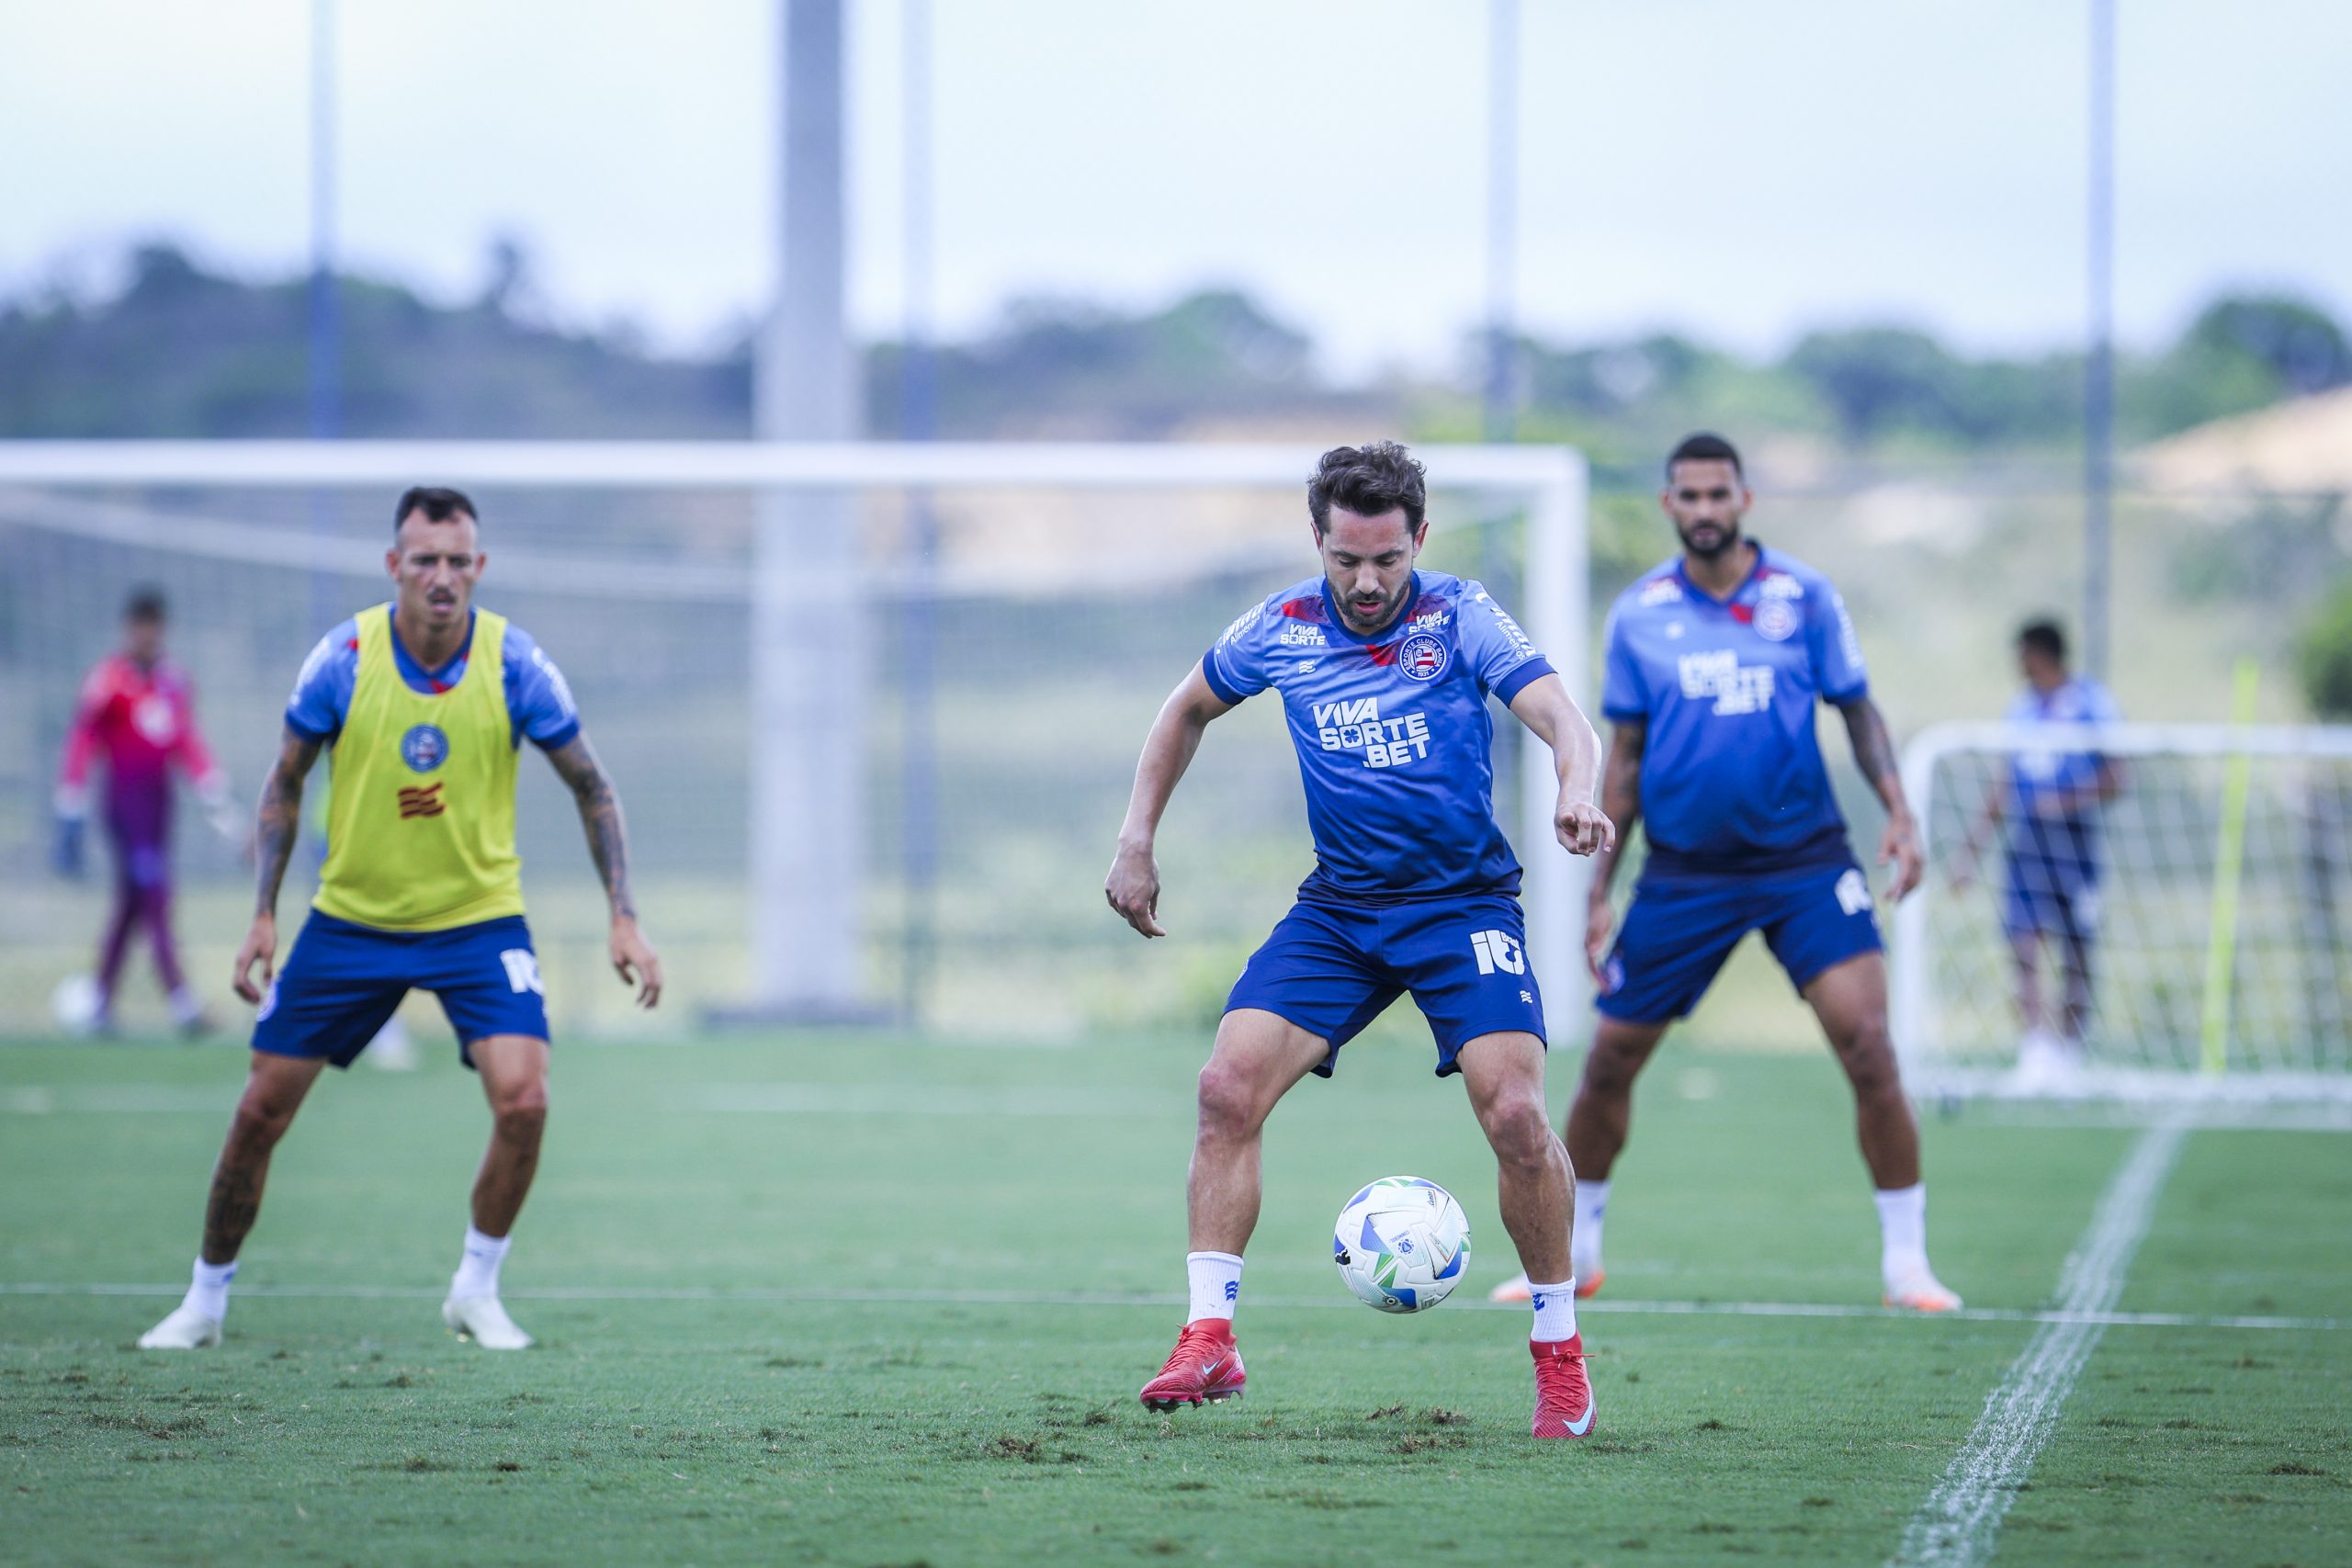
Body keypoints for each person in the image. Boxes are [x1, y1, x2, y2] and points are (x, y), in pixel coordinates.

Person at [1105, 442, 1612, 1438]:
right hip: (1340, 911)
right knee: (1224, 1090)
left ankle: (1558, 1355)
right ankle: (1211, 1336)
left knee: (1513, 1114)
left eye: (1387, 559)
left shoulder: (1459, 614)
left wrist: (1577, 788)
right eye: (1347, 561)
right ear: (1319, 543)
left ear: (1418, 538)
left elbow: (1560, 715)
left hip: (1461, 906)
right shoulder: (1281, 626)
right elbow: (1184, 709)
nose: (1368, 581)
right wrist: (1135, 838)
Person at [138, 487, 662, 1351]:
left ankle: (476, 1288)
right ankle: (204, 1300)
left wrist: (626, 918)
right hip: (352, 922)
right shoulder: (343, 658)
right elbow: (284, 779)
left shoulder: (515, 664)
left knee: (525, 1100)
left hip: (478, 922)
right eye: (425, 559)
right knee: (261, 1109)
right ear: (395, 567)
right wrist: (264, 914)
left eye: (459, 561)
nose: (443, 576)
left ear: (479, 569)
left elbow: (593, 786)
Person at [1489, 433, 1962, 1314]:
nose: (1705, 510)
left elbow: (1858, 713)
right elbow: (1624, 759)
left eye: (1719, 494)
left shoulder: (1804, 596)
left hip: (1806, 861)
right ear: (1669, 505)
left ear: (1744, 499)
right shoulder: (1639, 614)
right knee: (1610, 1061)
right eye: (1689, 496)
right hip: (1683, 874)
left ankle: (1908, 1263)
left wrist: (1899, 808)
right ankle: (1576, 1250)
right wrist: (1602, 891)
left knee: (1868, 1045)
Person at [52, 588, 242, 1035]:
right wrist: (70, 805)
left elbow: (186, 743)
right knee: (155, 894)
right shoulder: (108, 680)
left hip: (160, 806)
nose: (147, 634)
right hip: (123, 804)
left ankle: (98, 1000)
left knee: (131, 904)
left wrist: (216, 798)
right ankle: (180, 999)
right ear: (129, 628)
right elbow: (83, 741)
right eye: (141, 625)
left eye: (155, 625)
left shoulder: (174, 681)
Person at [1952, 619, 2123, 1081]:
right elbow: (2003, 786)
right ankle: (2035, 1048)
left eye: (2023, 653)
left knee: (2077, 947)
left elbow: (2117, 776)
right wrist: (1969, 853)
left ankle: (2071, 1048)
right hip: (2027, 843)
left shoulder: (2092, 703)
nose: (2018, 664)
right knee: (2023, 941)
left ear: (2042, 653)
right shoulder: (2021, 710)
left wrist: (2064, 802)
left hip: (2074, 839)